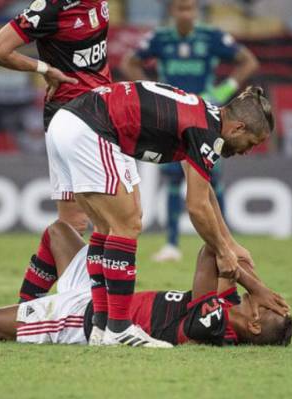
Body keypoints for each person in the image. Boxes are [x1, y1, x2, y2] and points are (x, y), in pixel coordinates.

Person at [46, 81, 273, 347]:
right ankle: (119, 329)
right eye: (251, 143)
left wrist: (230, 244)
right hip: (91, 128)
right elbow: (196, 206)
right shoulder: (207, 133)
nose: (247, 151)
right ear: (238, 127)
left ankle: (101, 325)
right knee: (127, 223)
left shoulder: (205, 118)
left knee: (105, 226)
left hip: (66, 122)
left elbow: (204, 190)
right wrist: (223, 252)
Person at [0, 221, 292, 347]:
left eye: (267, 309)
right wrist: (251, 281)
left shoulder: (215, 326)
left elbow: (210, 260)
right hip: (94, 293)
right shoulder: (229, 305)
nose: (265, 304)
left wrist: (254, 283)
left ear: (254, 326)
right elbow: (212, 250)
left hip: (88, 319)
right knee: (60, 233)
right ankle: (27, 313)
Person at [0, 0, 137, 304]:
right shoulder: (52, 7)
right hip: (82, 121)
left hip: (94, 113)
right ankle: (101, 310)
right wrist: (44, 69)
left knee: (73, 224)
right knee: (120, 221)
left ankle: (25, 308)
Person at [120, 0, 259, 262]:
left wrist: (223, 90)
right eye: (181, 8)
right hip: (172, 119)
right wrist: (152, 92)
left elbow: (248, 62)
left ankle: (224, 242)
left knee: (212, 179)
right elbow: (130, 62)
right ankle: (172, 244)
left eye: (191, 8)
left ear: (197, 11)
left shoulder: (212, 37)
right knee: (173, 178)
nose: (186, 13)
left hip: (206, 117)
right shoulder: (159, 38)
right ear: (172, 11)